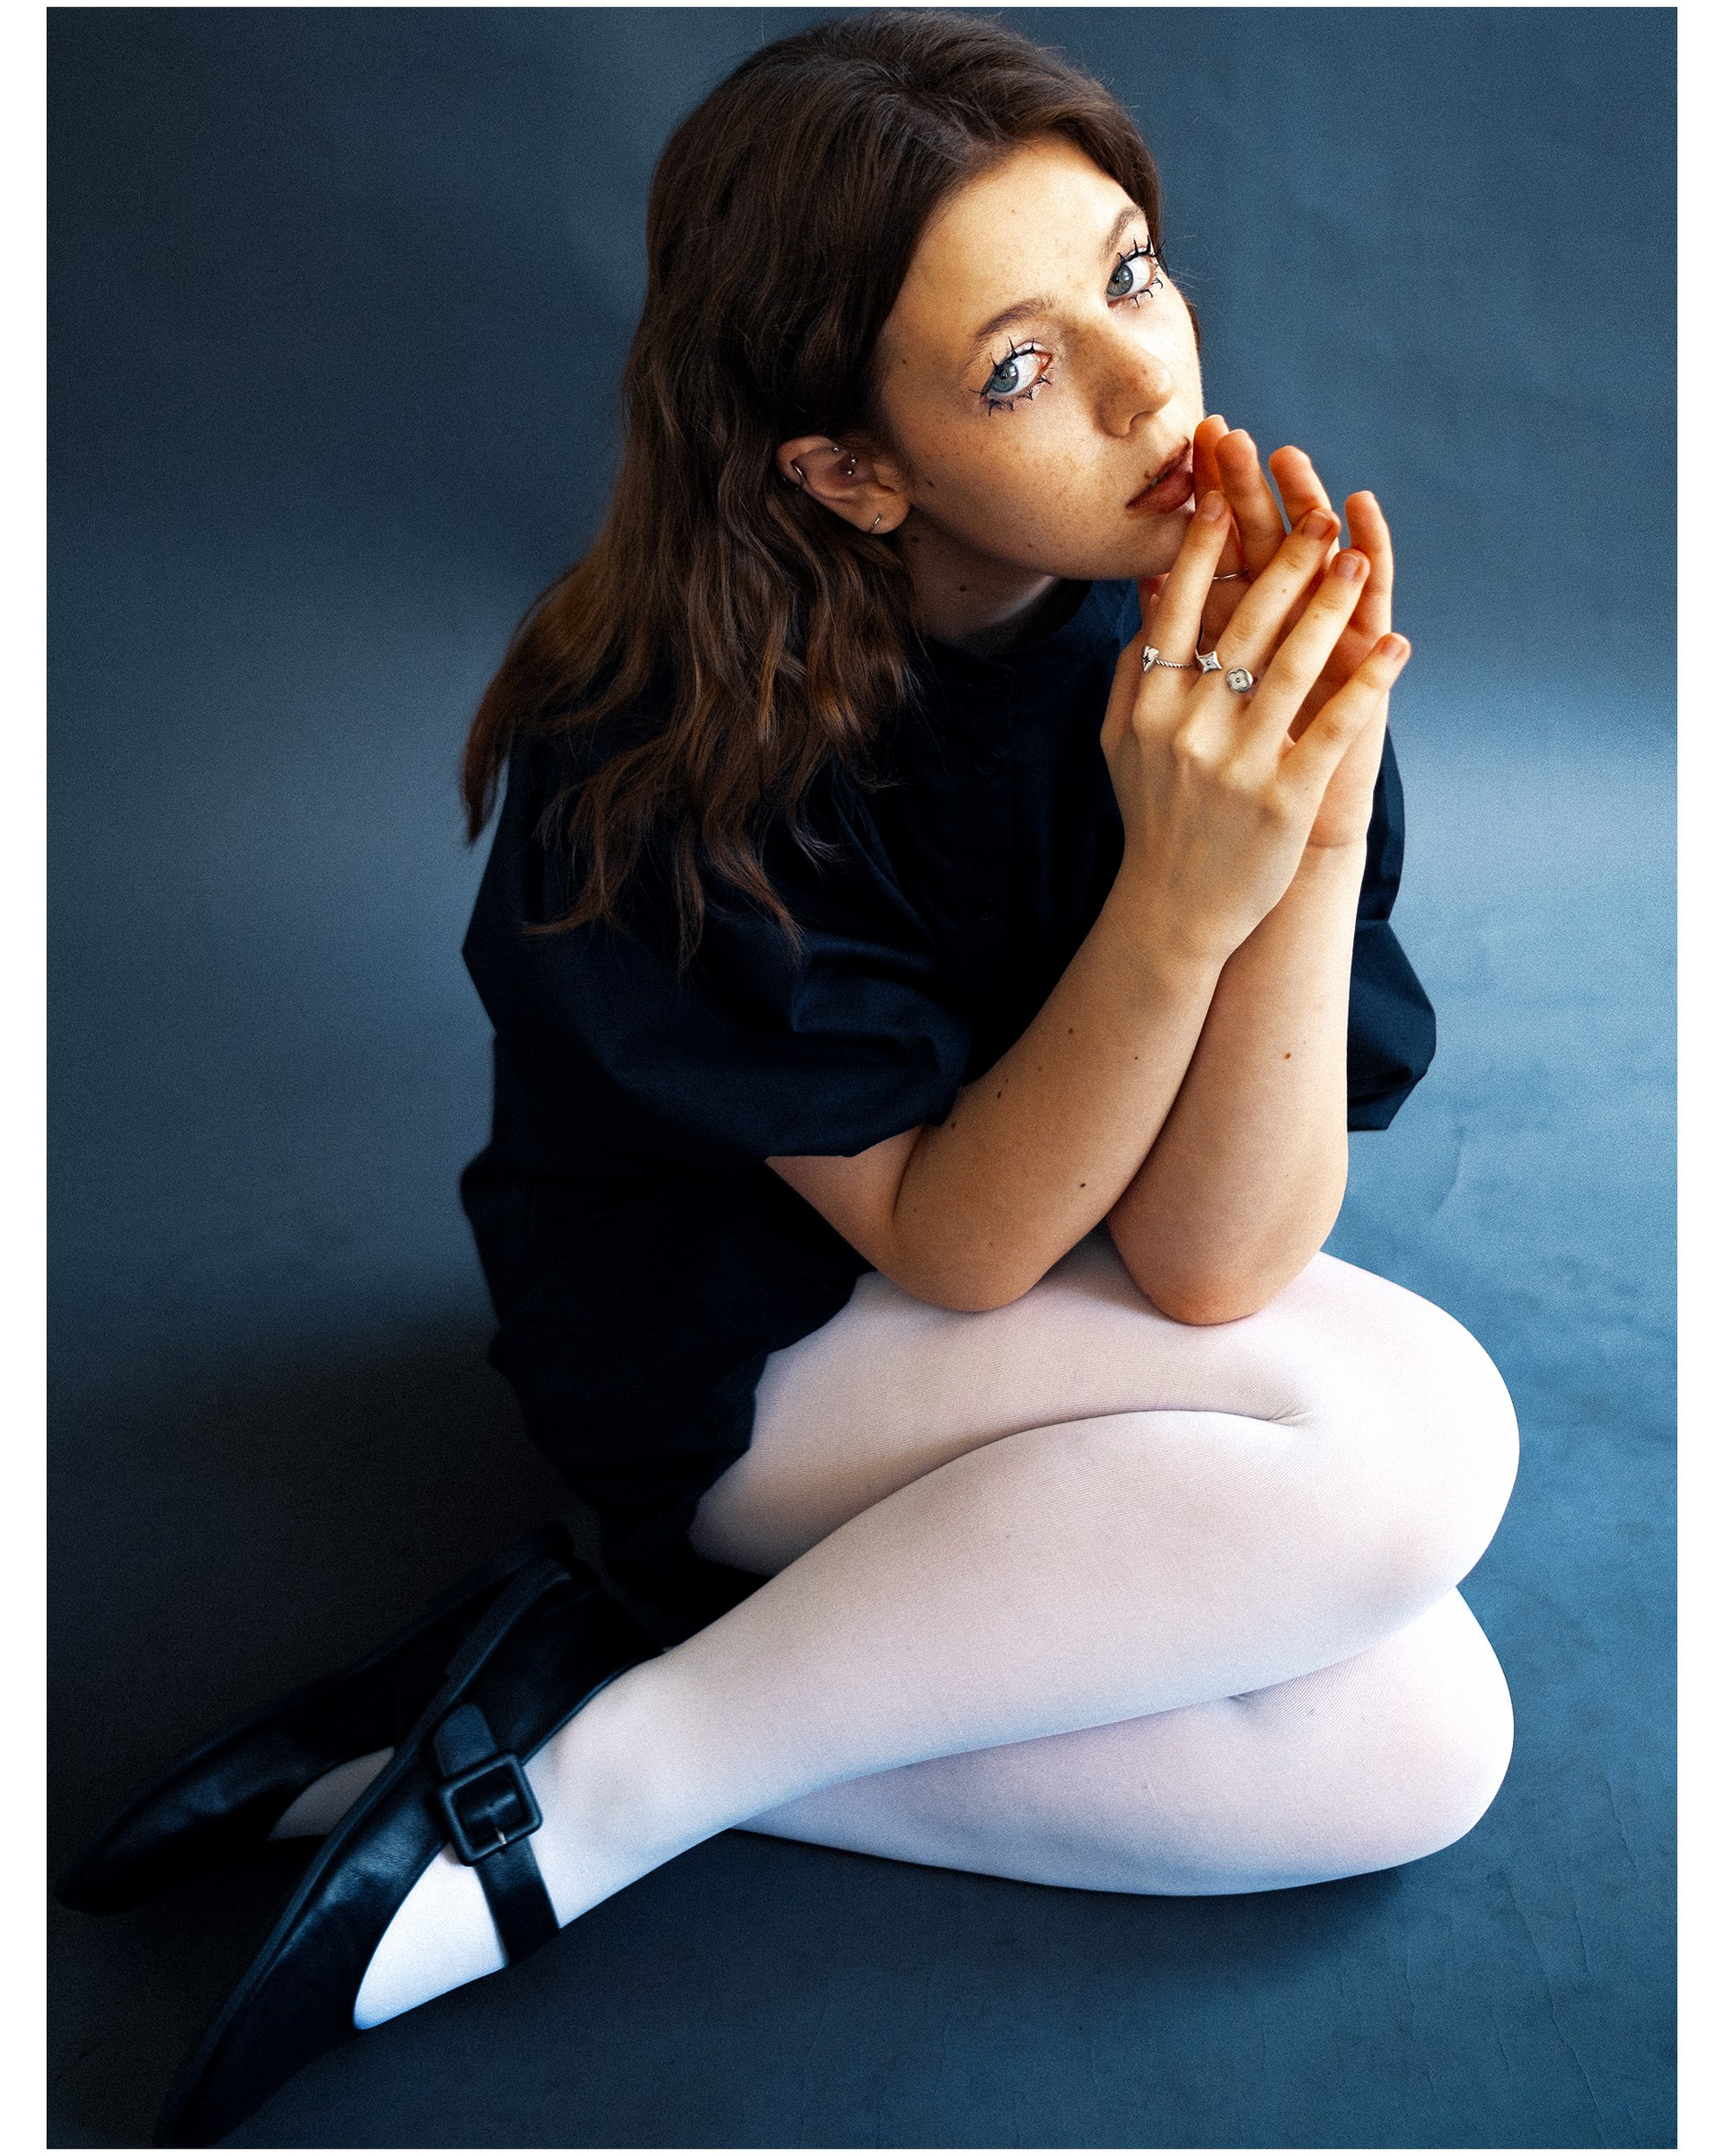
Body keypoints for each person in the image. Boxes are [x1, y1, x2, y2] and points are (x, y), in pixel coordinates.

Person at [57, 13, 1519, 2145]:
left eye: (1130, 273)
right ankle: (600, 1803)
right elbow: (958, 1242)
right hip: (745, 1341)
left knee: (1422, 1743)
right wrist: (1175, 901)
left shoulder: (1187, 639)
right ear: (849, 468)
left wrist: (1306, 812)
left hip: (1035, 1307)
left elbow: (1212, 1266)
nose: (1147, 386)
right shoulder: (667, 734)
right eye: (1017, 369)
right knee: (1411, 1435)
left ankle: (571, 1704)